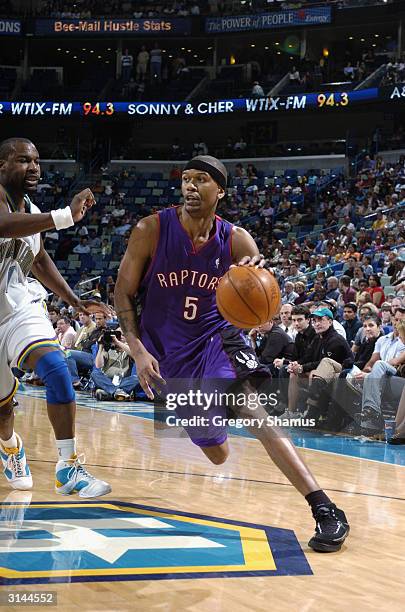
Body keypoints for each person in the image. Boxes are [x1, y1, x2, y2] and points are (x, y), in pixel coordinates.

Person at [114, 154, 349, 553]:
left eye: (200, 180)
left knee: (253, 412)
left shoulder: (236, 239)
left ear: (219, 191)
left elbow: (259, 299)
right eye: (185, 179)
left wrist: (253, 275)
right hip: (168, 354)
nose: (189, 186)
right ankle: (214, 410)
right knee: (217, 453)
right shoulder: (150, 230)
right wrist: (137, 350)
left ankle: (325, 508)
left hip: (216, 341)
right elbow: (122, 293)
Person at [0, 137, 111, 497]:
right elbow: (3, 225)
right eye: (22, 161)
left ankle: (68, 467)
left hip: (17, 308)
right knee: (2, 413)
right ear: (2, 165)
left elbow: (39, 260)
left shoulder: (29, 207)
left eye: (36, 160)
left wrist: (75, 301)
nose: (33, 167)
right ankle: (11, 446)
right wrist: (65, 216)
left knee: (56, 367)